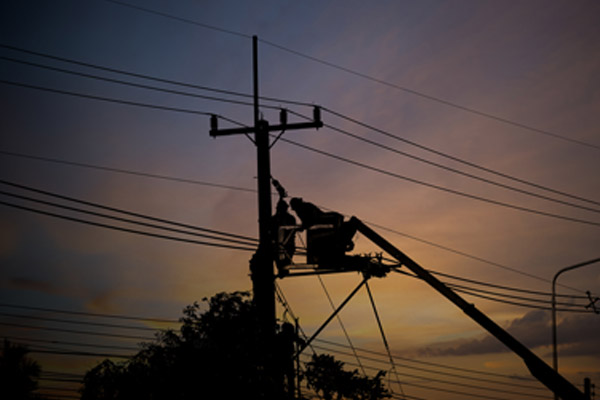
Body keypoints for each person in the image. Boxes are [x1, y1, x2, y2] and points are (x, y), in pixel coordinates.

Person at [272, 199, 297, 276]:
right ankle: (283, 270)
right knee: (281, 259)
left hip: (285, 245)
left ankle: (283, 270)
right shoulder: (274, 219)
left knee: (283, 260)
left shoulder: (289, 218)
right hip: (279, 245)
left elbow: (292, 231)